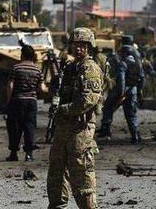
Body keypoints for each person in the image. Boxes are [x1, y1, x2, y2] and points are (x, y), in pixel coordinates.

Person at [47, 27, 103, 209]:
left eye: (83, 45)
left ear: (89, 47)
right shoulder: (70, 68)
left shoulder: (90, 69)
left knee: (81, 171)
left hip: (81, 128)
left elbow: (89, 100)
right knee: (56, 170)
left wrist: (65, 109)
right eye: (76, 45)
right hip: (63, 127)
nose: (78, 48)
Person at [6, 44, 45, 162]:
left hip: (17, 100)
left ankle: (14, 153)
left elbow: (10, 85)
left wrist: (8, 100)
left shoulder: (16, 68)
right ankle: (29, 154)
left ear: (22, 55)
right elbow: (42, 88)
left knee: (15, 127)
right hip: (31, 102)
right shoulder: (38, 70)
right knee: (29, 127)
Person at [99, 45, 144, 143]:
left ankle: (106, 129)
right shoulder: (138, 64)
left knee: (108, 106)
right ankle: (135, 135)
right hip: (134, 90)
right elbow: (141, 78)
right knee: (131, 114)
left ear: (124, 53)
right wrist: (140, 91)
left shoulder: (123, 64)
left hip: (124, 91)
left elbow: (121, 80)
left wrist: (121, 94)